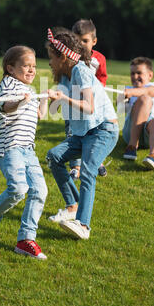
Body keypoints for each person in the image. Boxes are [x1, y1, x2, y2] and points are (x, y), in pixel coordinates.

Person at [46, 28, 119, 239]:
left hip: (103, 130)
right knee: (54, 157)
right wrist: (41, 98)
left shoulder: (81, 70)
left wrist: (63, 98)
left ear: (62, 56)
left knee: (87, 172)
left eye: (52, 58)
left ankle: (83, 226)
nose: (50, 63)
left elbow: (89, 107)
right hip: (83, 133)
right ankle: (73, 207)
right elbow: (52, 110)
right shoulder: (65, 77)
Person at [0, 45, 48, 260]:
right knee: (19, 189)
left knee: (40, 191)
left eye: (34, 66)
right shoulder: (8, 84)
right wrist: (20, 101)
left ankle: (25, 239)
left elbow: (39, 115)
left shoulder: (30, 89)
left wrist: (47, 97)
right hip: (9, 148)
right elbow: (6, 107)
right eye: (26, 66)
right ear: (10, 68)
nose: (31, 70)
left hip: (28, 150)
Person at [70, 19, 108, 179]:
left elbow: (102, 77)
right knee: (74, 132)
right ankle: (75, 166)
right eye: (77, 41)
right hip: (74, 102)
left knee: (94, 131)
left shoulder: (99, 59)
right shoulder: (71, 57)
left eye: (85, 41)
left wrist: (97, 91)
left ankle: (97, 161)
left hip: (93, 103)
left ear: (94, 41)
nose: (81, 44)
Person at [120, 56, 154, 170]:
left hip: (152, 134)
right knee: (144, 100)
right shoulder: (126, 89)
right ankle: (132, 146)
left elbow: (148, 92)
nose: (135, 77)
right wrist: (121, 100)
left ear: (150, 75)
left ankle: (153, 156)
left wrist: (131, 92)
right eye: (132, 73)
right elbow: (121, 112)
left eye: (139, 73)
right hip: (131, 133)